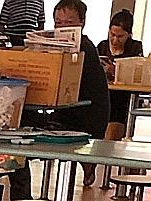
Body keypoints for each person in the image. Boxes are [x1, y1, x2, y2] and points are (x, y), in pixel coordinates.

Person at [51, 0, 110, 184]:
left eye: (69, 23)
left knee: (72, 147)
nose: (63, 28)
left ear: (82, 22)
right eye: (58, 23)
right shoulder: (56, 45)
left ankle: (86, 168)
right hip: (68, 108)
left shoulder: (84, 46)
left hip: (89, 112)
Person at [98, 9, 143, 141]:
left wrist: (115, 71)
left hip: (122, 98)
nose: (115, 40)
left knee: (117, 112)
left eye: (120, 36)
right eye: (112, 35)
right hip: (104, 94)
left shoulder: (135, 48)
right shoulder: (102, 46)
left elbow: (137, 74)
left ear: (129, 35)